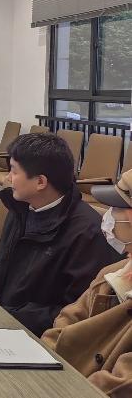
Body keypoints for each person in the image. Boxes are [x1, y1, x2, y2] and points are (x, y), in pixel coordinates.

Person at [0, 133, 123, 337]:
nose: (8, 178)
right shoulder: (21, 209)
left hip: (38, 336)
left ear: (40, 182)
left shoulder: (86, 232)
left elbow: (77, 311)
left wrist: (8, 317)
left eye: (14, 171)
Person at [42, 169, 132, 397]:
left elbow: (120, 384)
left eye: (115, 208)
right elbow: (65, 323)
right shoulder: (112, 273)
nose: (108, 216)